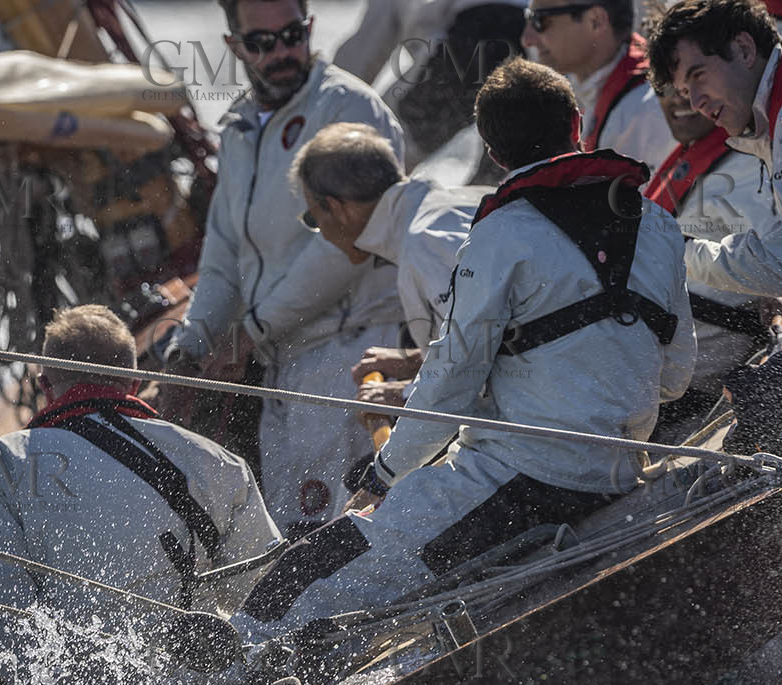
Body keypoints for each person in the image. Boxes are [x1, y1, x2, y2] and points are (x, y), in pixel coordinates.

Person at [231, 59, 695, 646]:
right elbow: (676, 376)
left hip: (523, 478)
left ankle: (225, 675)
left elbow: (453, 376)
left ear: (493, 153)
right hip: (618, 467)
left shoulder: (500, 235)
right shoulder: (657, 222)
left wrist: (385, 473)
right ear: (576, 125)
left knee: (320, 564)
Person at [0, 305, 281, 685]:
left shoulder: (1, 465)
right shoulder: (220, 463)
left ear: (46, 386)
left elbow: (1, 613)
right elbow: (262, 595)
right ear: (132, 381)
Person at [163, 0, 407, 538]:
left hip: (351, 359)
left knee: (341, 536)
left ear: (310, 29)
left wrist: (251, 330)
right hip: (283, 369)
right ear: (234, 47)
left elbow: (349, 243)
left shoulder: (349, 110)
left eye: (292, 35)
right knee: (294, 537)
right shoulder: (239, 129)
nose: (281, 52)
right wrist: (191, 346)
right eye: (261, 42)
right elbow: (224, 252)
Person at [647, 0, 782, 449]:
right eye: (684, 91)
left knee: (755, 434)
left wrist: (674, 250)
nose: (694, 103)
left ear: (743, 48)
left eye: (698, 76)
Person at [290, 121, 485, 425]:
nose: (323, 236)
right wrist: (421, 361)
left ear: (336, 208)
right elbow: (489, 337)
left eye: (313, 219)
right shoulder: (457, 203)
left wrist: (406, 395)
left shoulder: (424, 244)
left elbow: (496, 356)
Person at [644, 80, 782, 437]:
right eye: (665, 86)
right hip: (646, 372)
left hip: (688, 394)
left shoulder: (747, 171)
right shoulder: (691, 156)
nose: (682, 98)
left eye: (692, 81)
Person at [334, 0, 527, 165]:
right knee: (500, 180)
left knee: (375, 152)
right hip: (526, 43)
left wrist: (331, 107)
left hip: (468, 43)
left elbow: (361, 57)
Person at [522, 0, 677, 165]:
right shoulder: (582, 86)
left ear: (595, 21)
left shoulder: (644, 109)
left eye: (540, 20)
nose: (527, 39)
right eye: (528, 18)